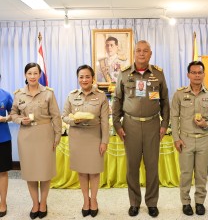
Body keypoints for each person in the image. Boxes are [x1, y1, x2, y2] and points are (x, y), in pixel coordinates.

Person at [112, 40, 170, 218]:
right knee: (132, 167)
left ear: (150, 54)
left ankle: (152, 203)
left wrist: (163, 125)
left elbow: (165, 102)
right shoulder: (124, 74)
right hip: (131, 126)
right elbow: (117, 101)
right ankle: (134, 203)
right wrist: (117, 124)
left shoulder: (158, 75)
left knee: (152, 166)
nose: (142, 54)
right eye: (139, 51)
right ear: (134, 53)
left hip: (153, 125)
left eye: (146, 51)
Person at [11, 63, 61, 219]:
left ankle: (43, 203)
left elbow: (56, 116)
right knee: (30, 173)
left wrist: (57, 134)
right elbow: (13, 113)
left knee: (45, 173)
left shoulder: (48, 93)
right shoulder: (19, 94)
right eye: (29, 73)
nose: (32, 76)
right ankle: (35, 204)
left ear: (40, 75)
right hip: (26, 137)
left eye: (35, 73)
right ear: (25, 75)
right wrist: (20, 119)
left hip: (45, 135)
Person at [171, 61, 208, 216]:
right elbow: (174, 117)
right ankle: (185, 203)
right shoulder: (179, 94)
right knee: (186, 174)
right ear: (188, 75)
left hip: (204, 139)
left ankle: (200, 202)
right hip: (185, 139)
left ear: (204, 74)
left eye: (199, 72)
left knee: (201, 173)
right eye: (193, 72)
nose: (197, 75)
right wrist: (176, 138)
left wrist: (207, 123)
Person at [62, 65, 109, 218]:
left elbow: (104, 121)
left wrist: (104, 141)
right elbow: (64, 116)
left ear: (92, 78)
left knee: (94, 171)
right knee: (82, 171)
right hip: (77, 138)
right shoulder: (71, 95)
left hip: (94, 137)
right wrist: (74, 120)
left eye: (87, 76)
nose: (84, 80)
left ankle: (94, 200)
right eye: (81, 77)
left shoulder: (101, 96)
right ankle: (85, 201)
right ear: (78, 78)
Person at [0, 74, 13, 218]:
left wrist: (4, 118)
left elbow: (14, 113)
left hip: (2, 139)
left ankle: (3, 202)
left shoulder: (5, 95)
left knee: (2, 172)